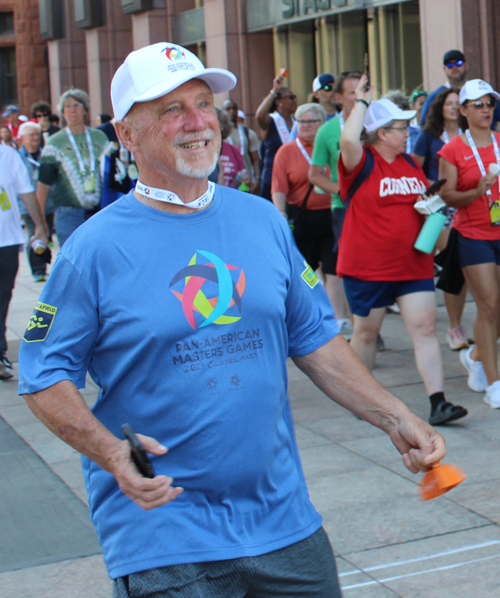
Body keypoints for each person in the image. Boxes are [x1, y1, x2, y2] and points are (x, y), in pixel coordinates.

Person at [18, 42, 446, 597]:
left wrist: (394, 416)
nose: (198, 123)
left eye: (203, 103)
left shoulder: (262, 222)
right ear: (127, 134)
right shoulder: (92, 250)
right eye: (171, 110)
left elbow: (314, 337)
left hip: (283, 523)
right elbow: (44, 374)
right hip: (166, 536)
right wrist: (109, 451)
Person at [337, 75, 467, 426]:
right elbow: (348, 137)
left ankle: (438, 402)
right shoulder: (360, 161)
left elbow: (420, 202)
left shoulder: (410, 164)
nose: (408, 132)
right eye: (400, 127)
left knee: (424, 329)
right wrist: (361, 102)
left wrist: (429, 202)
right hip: (369, 266)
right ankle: (359, 399)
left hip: (413, 263)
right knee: (365, 333)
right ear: (381, 132)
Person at [439, 79, 500, 408]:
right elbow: (446, 194)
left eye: (489, 103)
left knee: (498, 308)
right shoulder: (453, 149)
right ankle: (495, 383)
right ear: (462, 111)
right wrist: (478, 190)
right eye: (477, 104)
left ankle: (477, 355)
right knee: (488, 305)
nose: (485, 109)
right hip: (473, 233)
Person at [413, 87, 470, 351]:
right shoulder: (427, 136)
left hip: (469, 204)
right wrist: (435, 185)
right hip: (440, 208)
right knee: (453, 263)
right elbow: (412, 171)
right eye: (449, 103)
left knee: (472, 267)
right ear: (440, 107)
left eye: (458, 103)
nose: (453, 107)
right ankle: (455, 328)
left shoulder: (471, 136)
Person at [308, 71, 362, 339]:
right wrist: (342, 190)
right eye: (352, 92)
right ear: (339, 98)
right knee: (351, 267)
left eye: (362, 91)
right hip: (345, 208)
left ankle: (367, 322)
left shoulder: (377, 125)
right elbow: (314, 175)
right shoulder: (328, 131)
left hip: (376, 207)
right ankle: (359, 324)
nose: (358, 98)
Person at [272, 103, 337, 308]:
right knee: (305, 270)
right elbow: (279, 187)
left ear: (323, 123)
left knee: (334, 270)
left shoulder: (332, 146)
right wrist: (280, 211)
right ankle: (309, 309)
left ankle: (338, 318)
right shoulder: (286, 151)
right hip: (302, 218)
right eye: (301, 121)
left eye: (312, 121)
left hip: (332, 216)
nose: (306, 126)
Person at [0, 133, 47, 378]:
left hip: (6, 240)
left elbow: (26, 191)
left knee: (2, 297)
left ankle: (0, 355)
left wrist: (40, 225)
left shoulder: (8, 155)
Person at [36, 89, 108, 247]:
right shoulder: (55, 142)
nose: (72, 110)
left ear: (85, 110)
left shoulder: (100, 137)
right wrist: (40, 223)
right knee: (72, 263)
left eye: (77, 105)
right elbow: (43, 184)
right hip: (68, 214)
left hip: (100, 211)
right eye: (67, 106)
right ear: (62, 111)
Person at [420, 50, 500, 131]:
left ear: (466, 65)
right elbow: (424, 127)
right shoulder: (434, 97)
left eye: (459, 63)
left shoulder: (481, 91)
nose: (454, 67)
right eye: (450, 65)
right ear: (444, 69)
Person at [17, 122, 55, 282]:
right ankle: (38, 269)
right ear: (22, 138)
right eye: (31, 135)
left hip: (49, 203)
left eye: (36, 135)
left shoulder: (46, 154)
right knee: (35, 233)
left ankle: (46, 262)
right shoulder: (17, 157)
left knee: (48, 233)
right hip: (28, 205)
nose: (35, 138)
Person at [256, 74, 297, 200]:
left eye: (295, 97)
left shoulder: (297, 122)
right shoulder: (271, 121)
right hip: (272, 178)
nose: (295, 100)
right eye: (291, 97)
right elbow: (259, 116)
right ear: (279, 102)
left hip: (293, 177)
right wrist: (274, 91)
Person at [221, 98, 260, 192]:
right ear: (222, 112)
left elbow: (255, 159)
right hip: (226, 183)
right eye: (228, 109)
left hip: (246, 183)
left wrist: (257, 178)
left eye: (234, 108)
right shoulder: (219, 134)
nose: (232, 111)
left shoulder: (248, 133)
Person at [216, 108, 250, 188]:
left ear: (222, 126)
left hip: (230, 196)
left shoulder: (233, 150)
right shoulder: (199, 151)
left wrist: (243, 178)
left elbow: (244, 176)